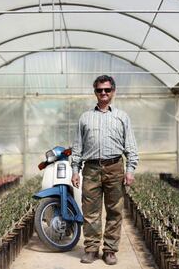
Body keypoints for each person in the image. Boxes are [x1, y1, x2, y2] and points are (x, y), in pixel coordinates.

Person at [71, 75, 139, 265]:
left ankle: (109, 250)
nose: (103, 93)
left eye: (107, 90)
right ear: (95, 92)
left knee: (114, 210)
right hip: (91, 169)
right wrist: (75, 170)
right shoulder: (85, 118)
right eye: (100, 90)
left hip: (115, 167)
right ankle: (91, 249)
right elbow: (78, 147)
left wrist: (130, 170)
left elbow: (131, 146)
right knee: (90, 211)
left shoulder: (122, 117)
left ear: (113, 92)